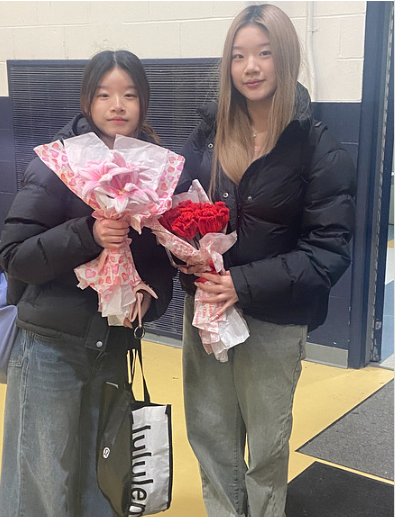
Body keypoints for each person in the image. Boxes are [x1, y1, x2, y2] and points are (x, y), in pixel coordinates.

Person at [175, 4, 356, 517]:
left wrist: (243, 283)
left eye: (264, 53)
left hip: (274, 322)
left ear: (286, 59)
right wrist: (184, 259)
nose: (250, 66)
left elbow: (328, 252)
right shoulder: (206, 138)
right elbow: (173, 215)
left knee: (267, 447)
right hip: (206, 312)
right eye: (238, 55)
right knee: (210, 435)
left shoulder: (317, 147)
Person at [0, 50, 176, 517]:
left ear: (144, 102)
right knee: (41, 478)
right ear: (87, 101)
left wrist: (147, 297)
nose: (117, 105)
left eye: (129, 94)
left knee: (102, 474)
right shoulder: (58, 165)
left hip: (111, 347)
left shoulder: (154, 172)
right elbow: (14, 256)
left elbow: (160, 264)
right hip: (50, 346)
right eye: (104, 94)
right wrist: (87, 234)